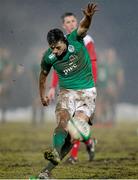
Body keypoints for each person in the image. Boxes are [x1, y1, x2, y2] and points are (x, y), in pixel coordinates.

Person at [38, 2, 97, 179]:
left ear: (64, 40)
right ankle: (53, 155)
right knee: (62, 122)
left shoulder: (75, 39)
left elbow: (83, 26)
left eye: (58, 47)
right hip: (66, 92)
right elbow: (43, 76)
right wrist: (43, 94)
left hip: (87, 93)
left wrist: (89, 16)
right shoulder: (48, 57)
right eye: (52, 48)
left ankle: (46, 170)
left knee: (74, 135)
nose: (55, 51)